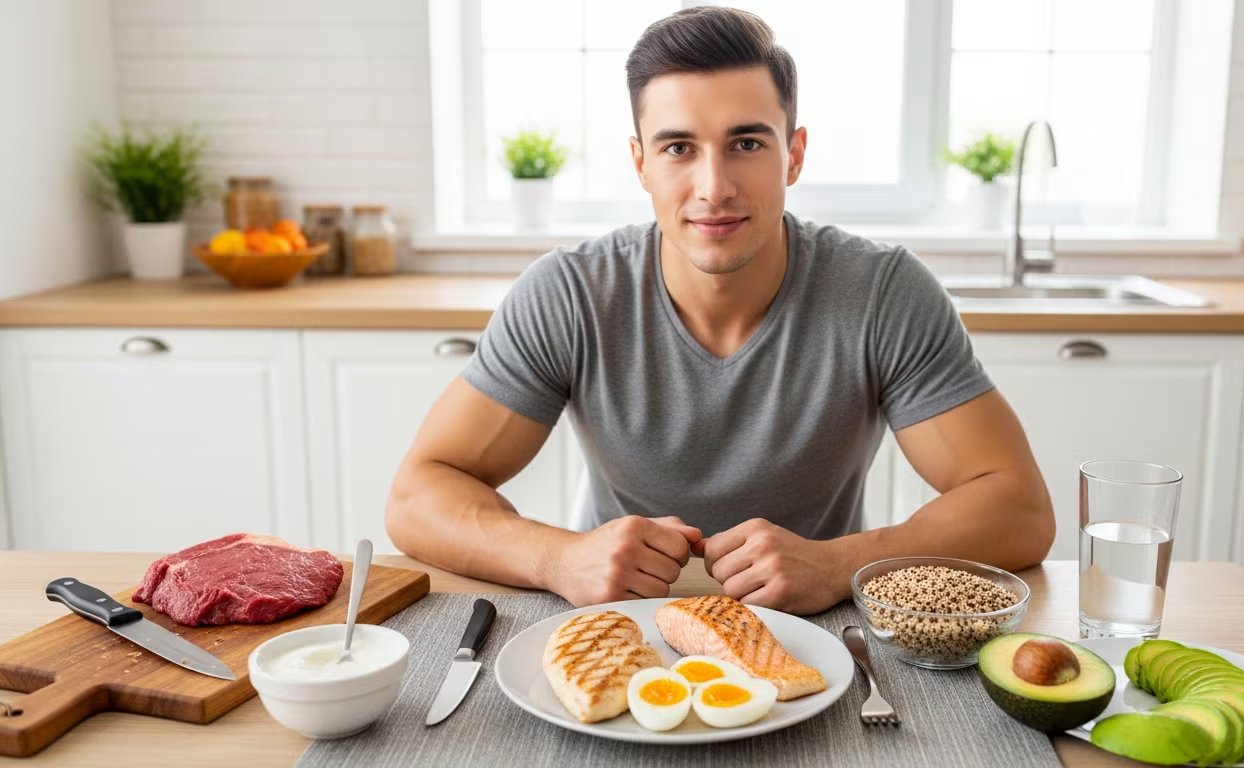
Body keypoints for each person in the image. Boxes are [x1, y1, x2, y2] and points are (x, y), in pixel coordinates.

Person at [387, 6, 1054, 614]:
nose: (715, 187)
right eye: (679, 147)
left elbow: (1020, 508)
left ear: (793, 154)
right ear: (640, 162)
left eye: (747, 143)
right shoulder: (568, 294)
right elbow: (419, 495)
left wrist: (839, 563)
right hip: (617, 621)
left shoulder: (884, 293)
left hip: (821, 627)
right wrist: (557, 556)